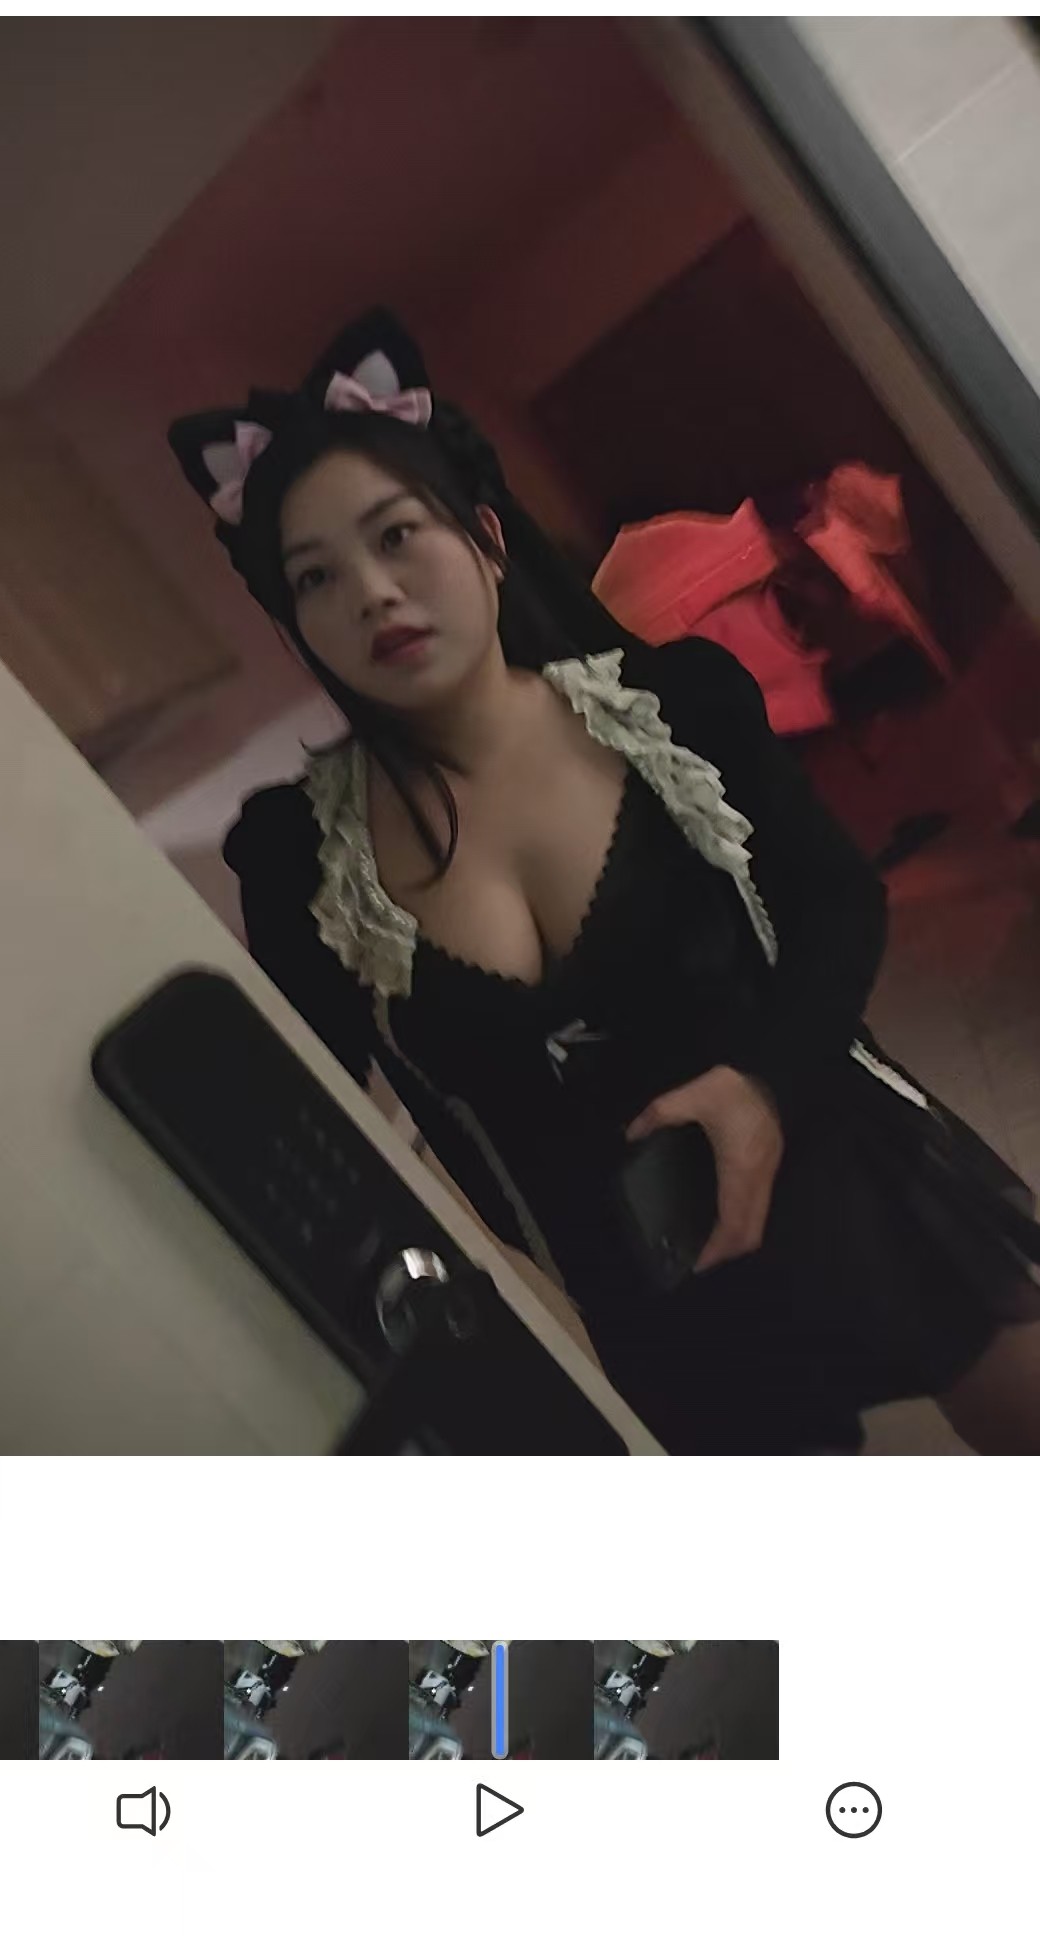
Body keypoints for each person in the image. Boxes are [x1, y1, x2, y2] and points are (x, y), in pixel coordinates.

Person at [168, 310, 1040, 1455]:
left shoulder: (676, 706)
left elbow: (837, 902)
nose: (372, 593)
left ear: (485, 538)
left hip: (840, 1154)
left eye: (397, 536)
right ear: (296, 626)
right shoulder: (297, 859)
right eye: (316, 578)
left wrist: (761, 1086)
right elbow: (307, 1117)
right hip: (657, 1307)